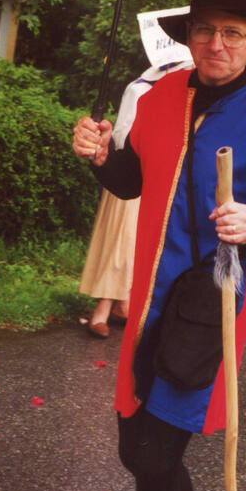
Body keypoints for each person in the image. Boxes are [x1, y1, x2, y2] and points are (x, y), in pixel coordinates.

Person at [72, 0, 246, 491]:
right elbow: (130, 181)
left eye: (232, 33)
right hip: (148, 300)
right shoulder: (161, 98)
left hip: (211, 304)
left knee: (153, 455)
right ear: (188, 34)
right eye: (205, 29)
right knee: (136, 449)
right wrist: (98, 156)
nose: (216, 44)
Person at [79, 62, 193, 339]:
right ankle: (104, 309)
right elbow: (122, 137)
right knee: (119, 242)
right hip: (131, 175)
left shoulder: (189, 90)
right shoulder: (139, 89)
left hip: (161, 181)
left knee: (138, 246)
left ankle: (124, 305)